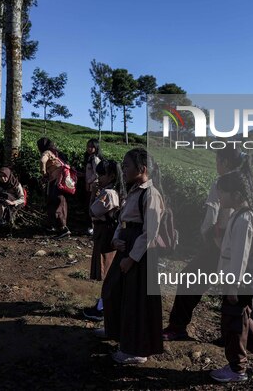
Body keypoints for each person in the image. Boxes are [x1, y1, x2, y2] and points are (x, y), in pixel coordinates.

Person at [209, 154, 253, 383]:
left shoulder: (243, 219)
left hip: (238, 283)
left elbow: (240, 256)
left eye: (222, 192)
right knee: (243, 318)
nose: (219, 196)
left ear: (236, 195)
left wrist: (232, 285)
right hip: (240, 281)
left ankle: (237, 369)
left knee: (233, 324)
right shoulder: (241, 216)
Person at [162, 147, 245, 341]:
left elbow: (213, 215)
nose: (216, 164)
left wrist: (209, 238)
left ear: (224, 162)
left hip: (218, 243)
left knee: (188, 279)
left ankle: (177, 327)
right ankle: (233, 339)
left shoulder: (222, 182)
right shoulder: (244, 181)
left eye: (217, 160)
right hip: (234, 244)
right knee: (230, 292)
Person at [98, 148, 164, 364]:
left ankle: (136, 350)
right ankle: (116, 332)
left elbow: (150, 232)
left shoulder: (150, 194)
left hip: (141, 254)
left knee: (137, 302)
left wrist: (132, 258)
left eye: (127, 165)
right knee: (113, 290)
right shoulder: (134, 189)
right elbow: (123, 219)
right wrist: (117, 238)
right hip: (127, 245)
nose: (123, 169)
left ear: (142, 169)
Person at [82, 159, 125, 321]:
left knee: (107, 270)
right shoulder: (117, 191)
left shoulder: (108, 194)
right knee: (110, 269)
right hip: (110, 232)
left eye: (102, 174)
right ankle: (105, 303)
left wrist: (93, 193)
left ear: (112, 176)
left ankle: (103, 307)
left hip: (105, 234)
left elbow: (92, 211)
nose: (98, 177)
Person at [37, 137, 70, 239]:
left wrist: (43, 173)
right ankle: (53, 226)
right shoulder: (55, 153)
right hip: (62, 183)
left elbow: (42, 161)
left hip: (56, 183)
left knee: (55, 204)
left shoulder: (46, 153)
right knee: (60, 204)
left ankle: (63, 229)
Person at [84, 139, 103, 235]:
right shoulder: (89, 158)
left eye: (92, 147)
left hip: (93, 187)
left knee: (92, 206)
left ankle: (93, 227)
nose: (89, 148)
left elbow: (97, 173)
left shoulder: (95, 159)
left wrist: (88, 181)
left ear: (96, 148)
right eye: (88, 146)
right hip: (90, 186)